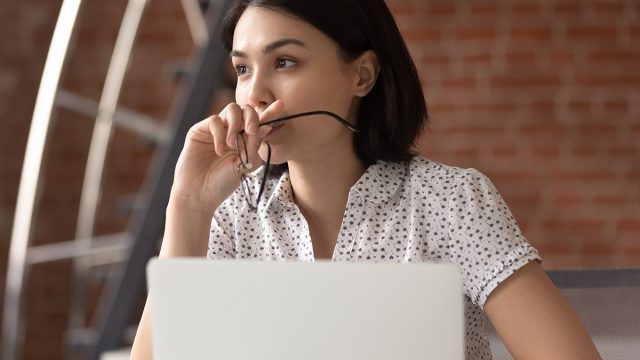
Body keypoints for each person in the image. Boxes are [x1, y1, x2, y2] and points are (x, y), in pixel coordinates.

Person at [132, 0, 601, 359]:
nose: (254, 93)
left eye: (285, 62)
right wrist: (189, 204)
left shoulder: (452, 200)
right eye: (242, 69)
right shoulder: (231, 218)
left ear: (362, 75)